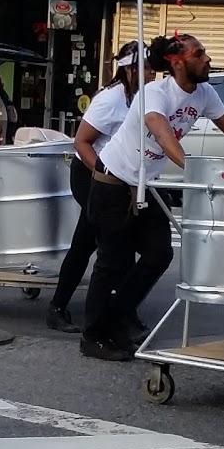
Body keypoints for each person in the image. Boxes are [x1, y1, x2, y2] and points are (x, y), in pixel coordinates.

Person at [82, 32, 224, 362]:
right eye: (199, 53)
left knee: (159, 253)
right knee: (112, 262)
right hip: (113, 182)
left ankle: (118, 315)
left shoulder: (205, 93)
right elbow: (161, 130)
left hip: (145, 184)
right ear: (177, 62)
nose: (207, 58)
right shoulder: (155, 93)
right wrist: (192, 168)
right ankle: (93, 335)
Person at [47, 43, 155, 334]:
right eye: (147, 68)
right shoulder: (111, 99)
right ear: (130, 69)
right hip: (92, 173)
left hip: (124, 177)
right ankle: (60, 307)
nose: (153, 74)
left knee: (116, 240)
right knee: (93, 240)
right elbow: (81, 141)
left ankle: (122, 309)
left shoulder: (147, 98)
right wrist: (102, 172)